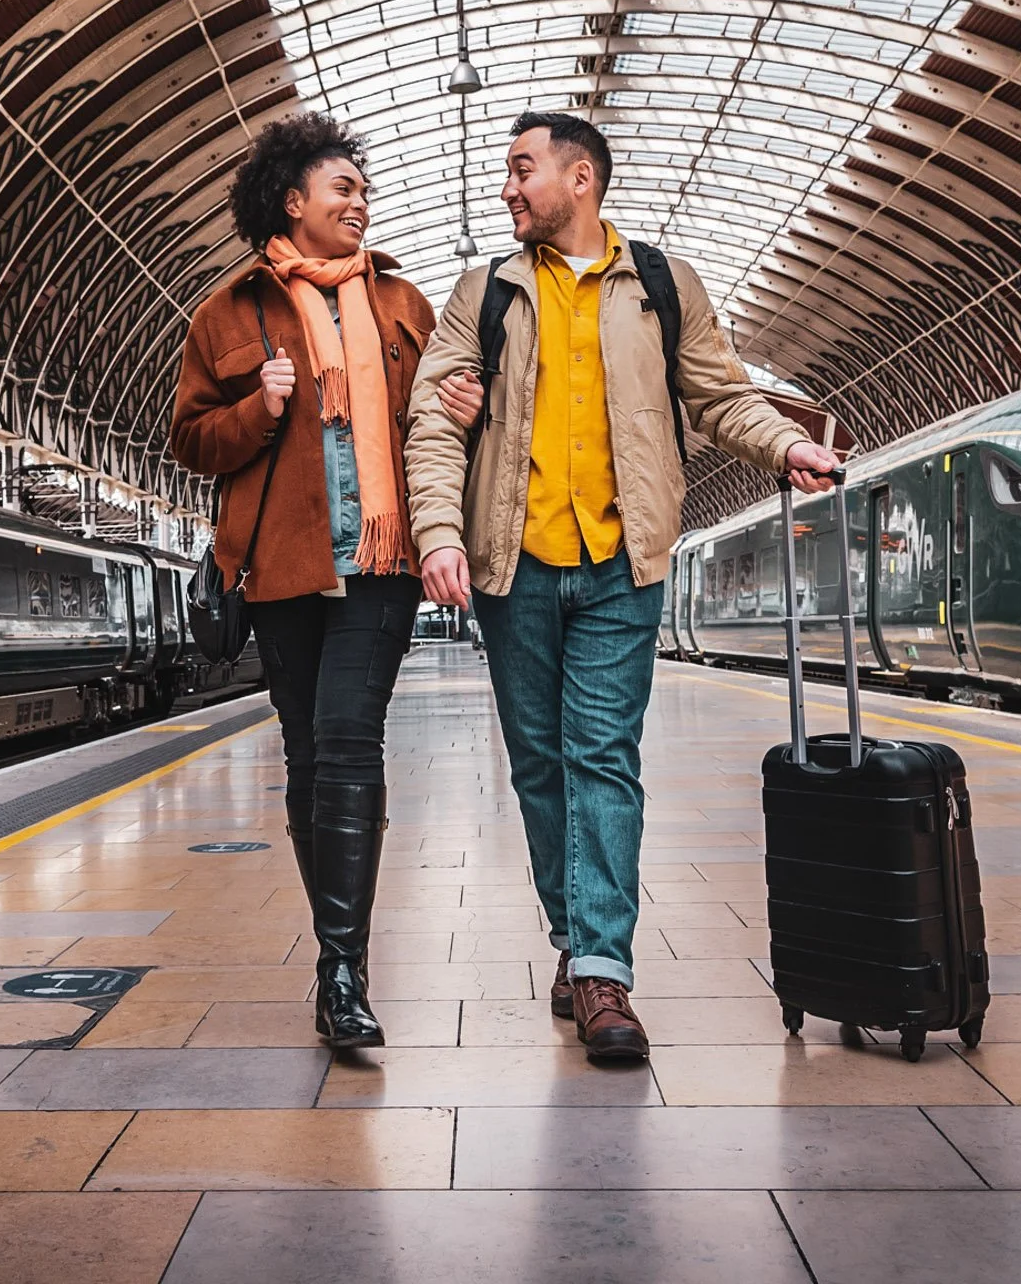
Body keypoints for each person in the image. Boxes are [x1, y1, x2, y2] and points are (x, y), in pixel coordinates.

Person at [406, 110, 837, 1062]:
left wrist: (788, 443)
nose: (509, 188)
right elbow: (434, 425)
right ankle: (574, 936)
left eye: (523, 170)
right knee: (540, 767)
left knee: (603, 759)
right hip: (513, 568)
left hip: (622, 567)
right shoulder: (484, 294)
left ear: (581, 179)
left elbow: (719, 396)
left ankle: (604, 969)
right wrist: (439, 534)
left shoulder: (661, 287)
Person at [170, 111, 434, 1049]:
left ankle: (341, 969)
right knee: (308, 756)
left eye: (363, 190)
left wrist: (463, 414)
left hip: (379, 562)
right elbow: (191, 438)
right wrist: (260, 404)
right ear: (293, 202)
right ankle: (341, 960)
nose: (361, 203)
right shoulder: (228, 312)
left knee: (347, 739)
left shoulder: (404, 304)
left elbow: (437, 432)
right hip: (279, 566)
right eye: (343, 189)